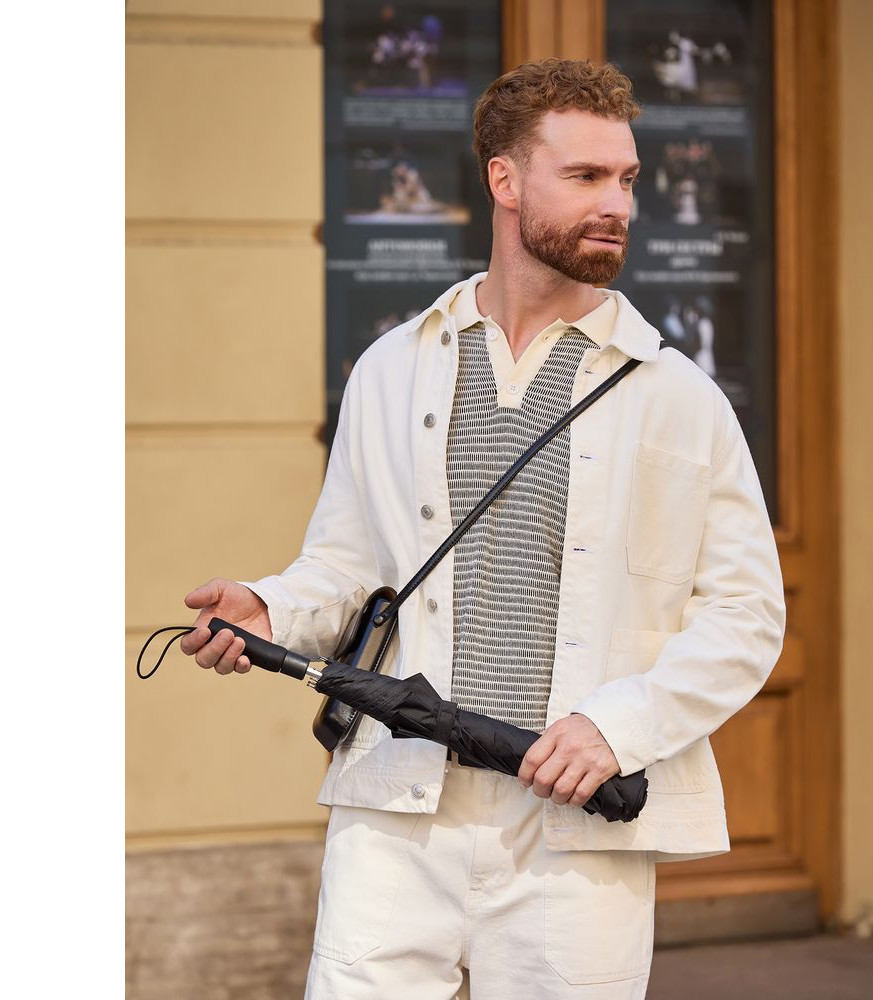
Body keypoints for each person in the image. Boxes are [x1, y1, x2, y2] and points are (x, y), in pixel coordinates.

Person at [180, 59, 784, 1000]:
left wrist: (618, 728)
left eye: (627, 178)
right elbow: (350, 564)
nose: (618, 204)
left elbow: (746, 614)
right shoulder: (394, 367)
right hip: (397, 807)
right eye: (586, 176)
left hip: (574, 830)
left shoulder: (679, 395)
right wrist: (272, 608)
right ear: (505, 179)